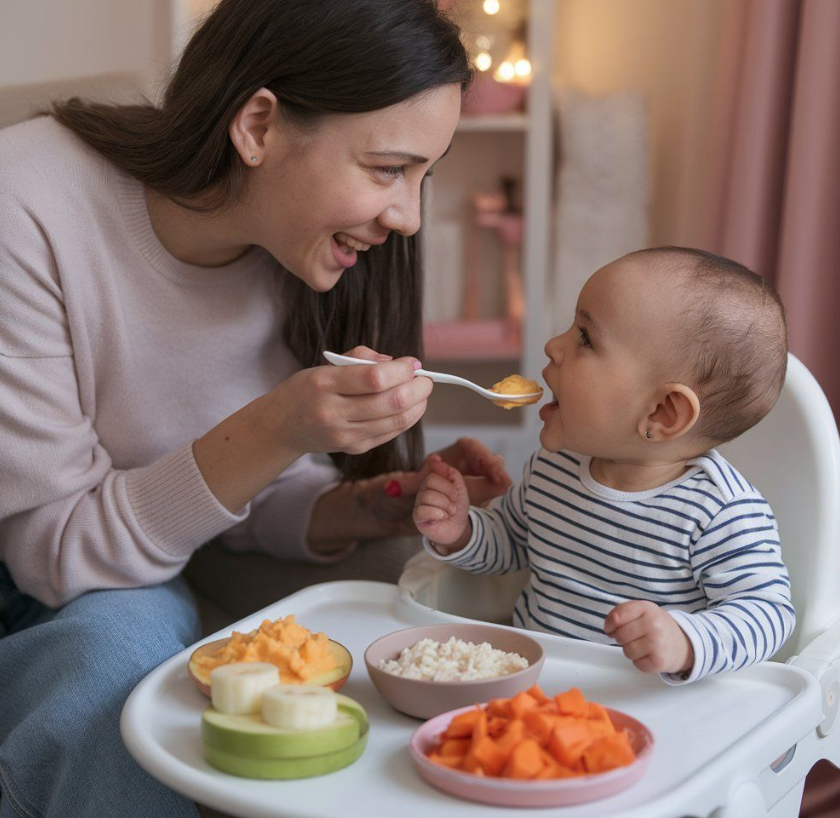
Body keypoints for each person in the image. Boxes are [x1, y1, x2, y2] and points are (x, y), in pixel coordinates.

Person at [0, 2, 514, 817]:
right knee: (115, 663)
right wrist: (278, 425)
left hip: (132, 555)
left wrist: (370, 502)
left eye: (425, 175)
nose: (408, 216)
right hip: (38, 565)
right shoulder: (25, 201)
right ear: (259, 126)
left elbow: (227, 496)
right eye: (387, 169)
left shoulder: (299, 256)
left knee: (405, 610)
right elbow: (54, 558)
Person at [414, 246, 796, 684]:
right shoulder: (554, 468)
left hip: (636, 704)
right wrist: (460, 531)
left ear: (662, 413)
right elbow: (513, 545)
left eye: (586, 339)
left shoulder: (718, 512)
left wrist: (685, 641)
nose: (553, 346)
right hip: (532, 682)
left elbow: (769, 615)